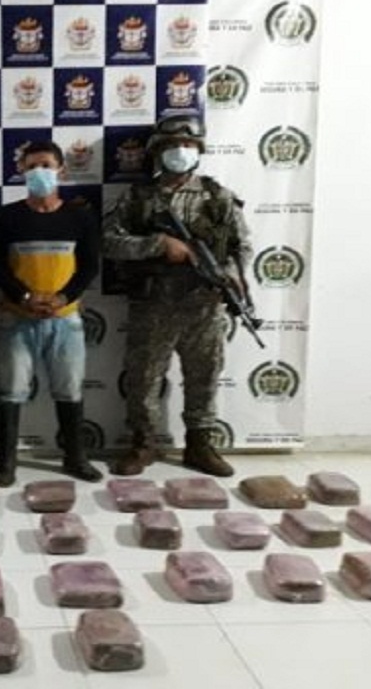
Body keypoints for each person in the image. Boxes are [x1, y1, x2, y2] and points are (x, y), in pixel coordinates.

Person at [102, 113, 253, 477]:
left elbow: (242, 247)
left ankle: (200, 445)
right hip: (153, 304)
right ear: (158, 151)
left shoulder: (217, 197)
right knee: (143, 378)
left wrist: (231, 276)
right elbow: (108, 241)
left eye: (187, 145)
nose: (180, 151)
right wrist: (158, 245)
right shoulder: (138, 197)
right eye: (172, 145)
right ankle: (144, 443)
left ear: (198, 150)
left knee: (204, 376)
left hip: (204, 305)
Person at [0, 140, 102, 486]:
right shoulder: (6, 216)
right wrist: (24, 297)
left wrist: (63, 297)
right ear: (21, 170)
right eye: (32, 165)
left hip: (66, 318)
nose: (39, 172)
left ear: (61, 171)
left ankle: (75, 458)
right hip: (16, 317)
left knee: (69, 389)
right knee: (10, 389)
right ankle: (6, 464)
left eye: (47, 165)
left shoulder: (80, 216)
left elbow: (89, 267)